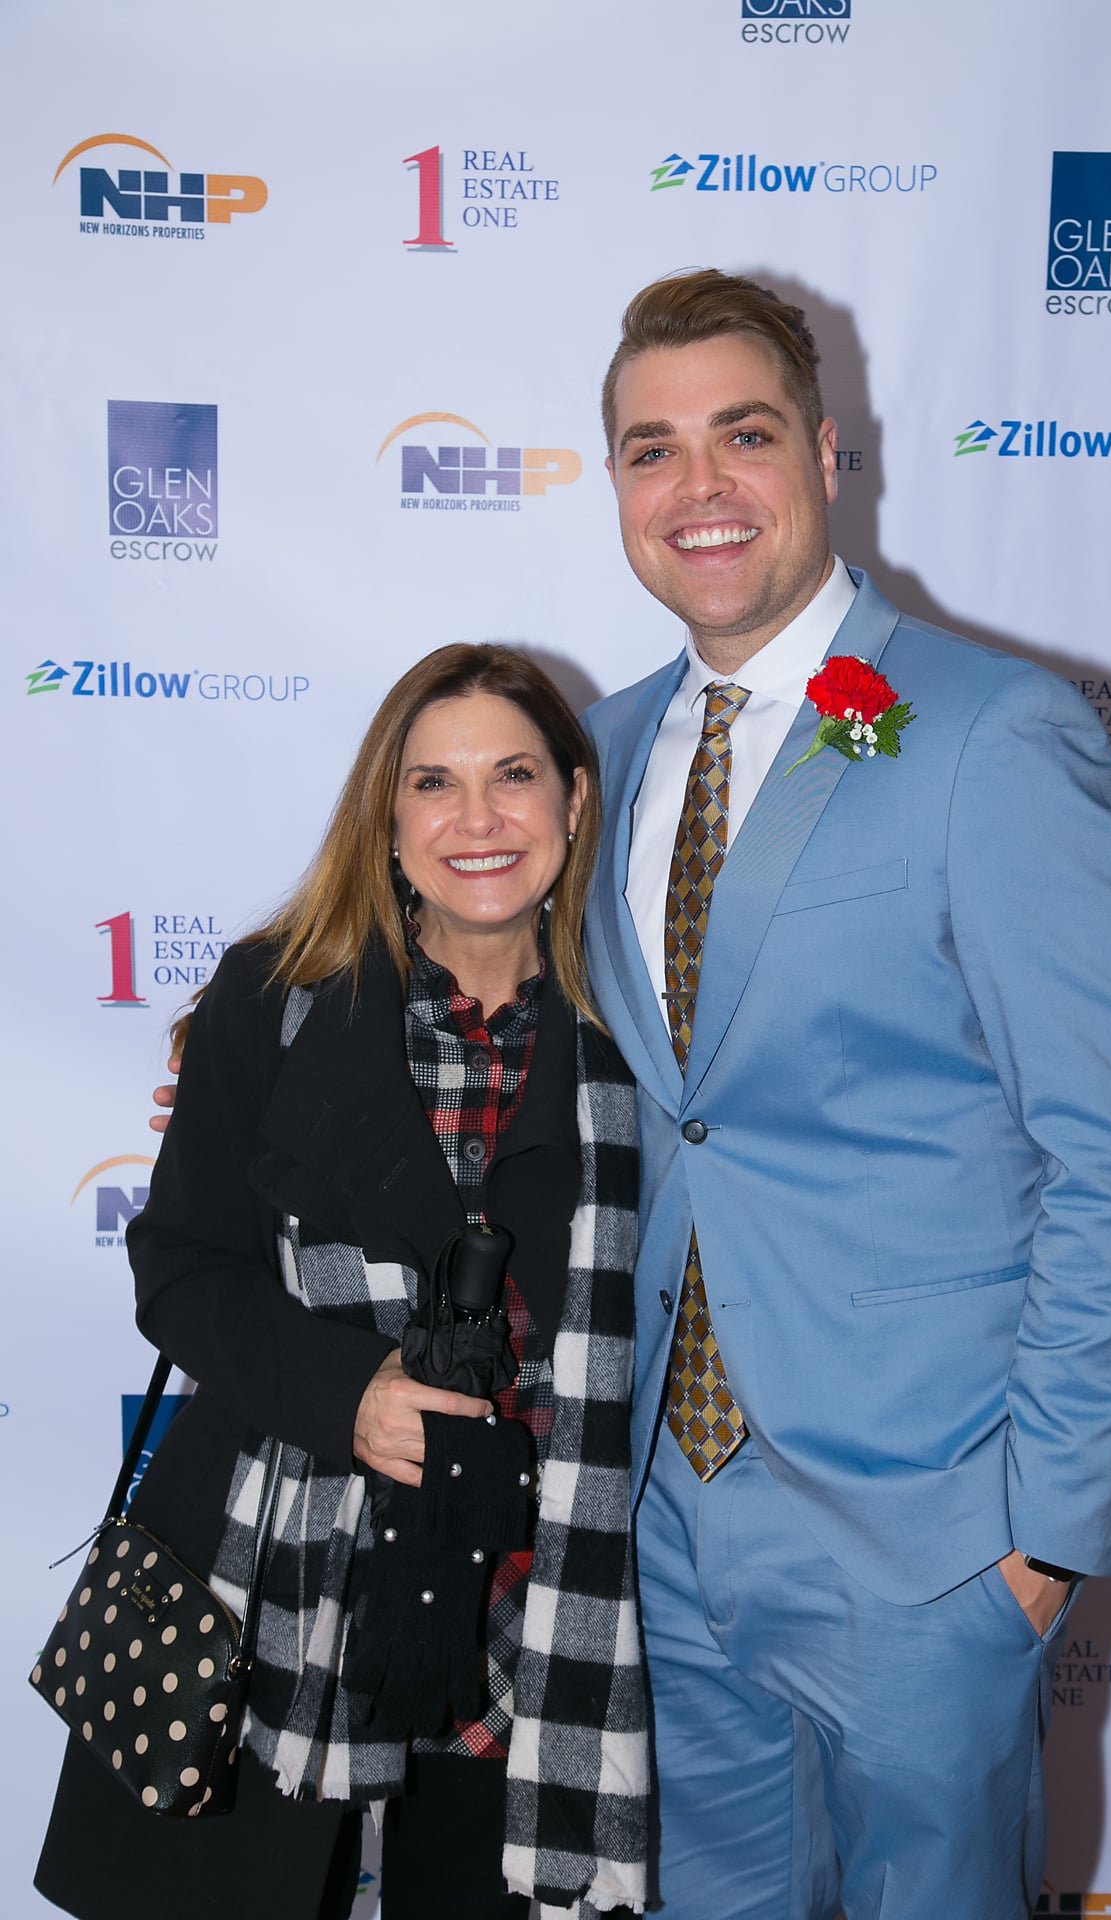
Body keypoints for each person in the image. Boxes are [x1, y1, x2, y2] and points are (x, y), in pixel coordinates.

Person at [576, 270, 1111, 1919]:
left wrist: (1044, 1535)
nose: (697, 487)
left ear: (828, 454)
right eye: (652, 449)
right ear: (617, 487)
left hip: (929, 1532)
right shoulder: (604, 748)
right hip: (666, 1510)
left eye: (744, 435)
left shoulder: (993, 734)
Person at [36, 646, 648, 1920]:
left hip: (536, 1587)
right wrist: (348, 1392)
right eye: (433, 782)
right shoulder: (277, 998)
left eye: (513, 777)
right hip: (273, 1566)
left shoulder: (646, 1037)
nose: (475, 820)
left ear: (574, 802)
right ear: (388, 812)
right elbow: (181, 1266)